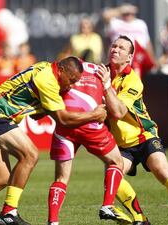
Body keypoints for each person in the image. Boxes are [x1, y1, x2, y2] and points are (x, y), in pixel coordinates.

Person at [0, 56, 108, 225]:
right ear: (62, 70)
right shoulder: (47, 80)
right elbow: (63, 119)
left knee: (1, 178)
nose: (71, 85)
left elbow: (33, 101)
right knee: (30, 155)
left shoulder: (46, 67)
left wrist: (40, 107)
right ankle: (8, 213)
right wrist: (95, 114)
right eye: (71, 80)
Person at [97, 35, 168, 225]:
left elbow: (119, 112)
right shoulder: (101, 74)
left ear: (129, 57)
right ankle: (140, 219)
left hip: (144, 136)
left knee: (161, 171)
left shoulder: (133, 80)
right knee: (113, 180)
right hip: (121, 144)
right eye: (114, 46)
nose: (115, 49)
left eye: (121, 48)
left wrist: (104, 86)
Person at [47, 62, 131, 225]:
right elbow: (115, 110)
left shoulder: (63, 69)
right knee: (117, 162)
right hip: (90, 124)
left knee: (61, 178)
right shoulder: (101, 71)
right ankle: (107, 205)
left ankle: (53, 221)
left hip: (66, 122)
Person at [103, 3, 156, 76]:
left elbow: (147, 43)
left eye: (131, 13)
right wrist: (121, 9)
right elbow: (105, 15)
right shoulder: (115, 23)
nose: (129, 15)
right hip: (120, 54)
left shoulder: (140, 23)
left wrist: (153, 59)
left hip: (138, 56)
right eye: (126, 13)